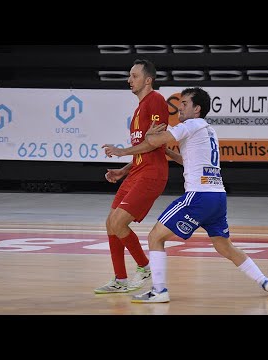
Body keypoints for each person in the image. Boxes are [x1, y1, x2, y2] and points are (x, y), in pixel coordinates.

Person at [103, 87, 268, 303]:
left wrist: (136, 144)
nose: (180, 108)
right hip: (218, 197)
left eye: (185, 104)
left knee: (155, 237)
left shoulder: (190, 124)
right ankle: (266, 282)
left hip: (198, 196)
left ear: (197, 109)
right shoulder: (209, 130)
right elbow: (184, 160)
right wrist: (165, 150)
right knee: (224, 246)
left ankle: (159, 291)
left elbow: (154, 142)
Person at [94, 59, 169, 294]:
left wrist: (122, 151)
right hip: (136, 172)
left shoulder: (155, 100)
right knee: (110, 223)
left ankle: (144, 267)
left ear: (148, 80)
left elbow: (155, 143)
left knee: (119, 222)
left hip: (151, 174)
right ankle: (120, 279)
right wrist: (124, 169)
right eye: (129, 75)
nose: (129, 80)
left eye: (134, 76)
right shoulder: (139, 108)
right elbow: (145, 147)